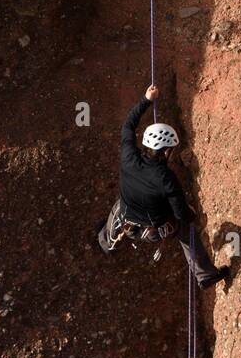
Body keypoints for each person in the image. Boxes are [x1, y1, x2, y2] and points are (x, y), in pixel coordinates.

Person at [96, 84, 229, 289]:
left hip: (125, 219)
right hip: (153, 231)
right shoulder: (166, 178)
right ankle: (205, 276)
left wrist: (146, 99)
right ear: (167, 151)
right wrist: (193, 214)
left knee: (121, 205)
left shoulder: (129, 157)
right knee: (186, 231)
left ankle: (105, 242)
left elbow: (127, 126)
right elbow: (182, 214)